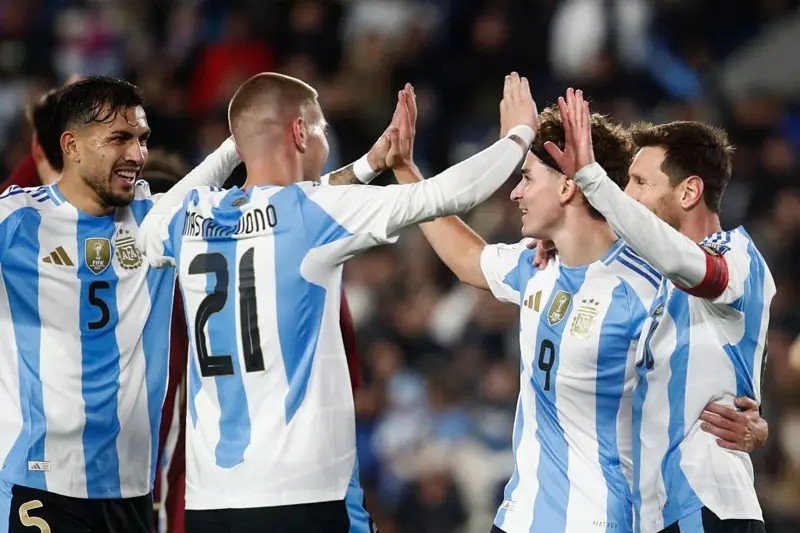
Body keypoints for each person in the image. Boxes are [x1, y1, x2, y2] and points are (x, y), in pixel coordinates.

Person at [138, 71, 538, 532]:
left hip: (210, 501)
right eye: (321, 129)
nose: (326, 142)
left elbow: (157, 223)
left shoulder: (192, 216)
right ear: (298, 132)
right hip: (300, 494)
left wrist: (238, 145)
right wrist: (518, 135)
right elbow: (448, 194)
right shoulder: (311, 216)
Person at [0, 75, 385, 533]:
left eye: (142, 139)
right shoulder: (17, 220)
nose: (137, 154)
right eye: (119, 139)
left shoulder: (157, 223)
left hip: (130, 490)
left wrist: (367, 166)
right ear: (72, 145)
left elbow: (284, 209)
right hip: (39, 485)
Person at [388, 85, 769, 533]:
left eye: (527, 178)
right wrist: (407, 173)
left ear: (569, 185)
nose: (515, 193)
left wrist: (753, 420)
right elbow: (470, 261)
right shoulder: (537, 266)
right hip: (520, 516)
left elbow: (714, 353)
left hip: (608, 519)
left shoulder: (655, 283)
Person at [547, 88, 774, 532]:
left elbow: (700, 272)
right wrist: (553, 242)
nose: (627, 194)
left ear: (689, 191)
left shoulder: (738, 256)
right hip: (657, 514)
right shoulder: (657, 283)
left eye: (640, 183)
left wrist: (593, 178)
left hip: (706, 504)